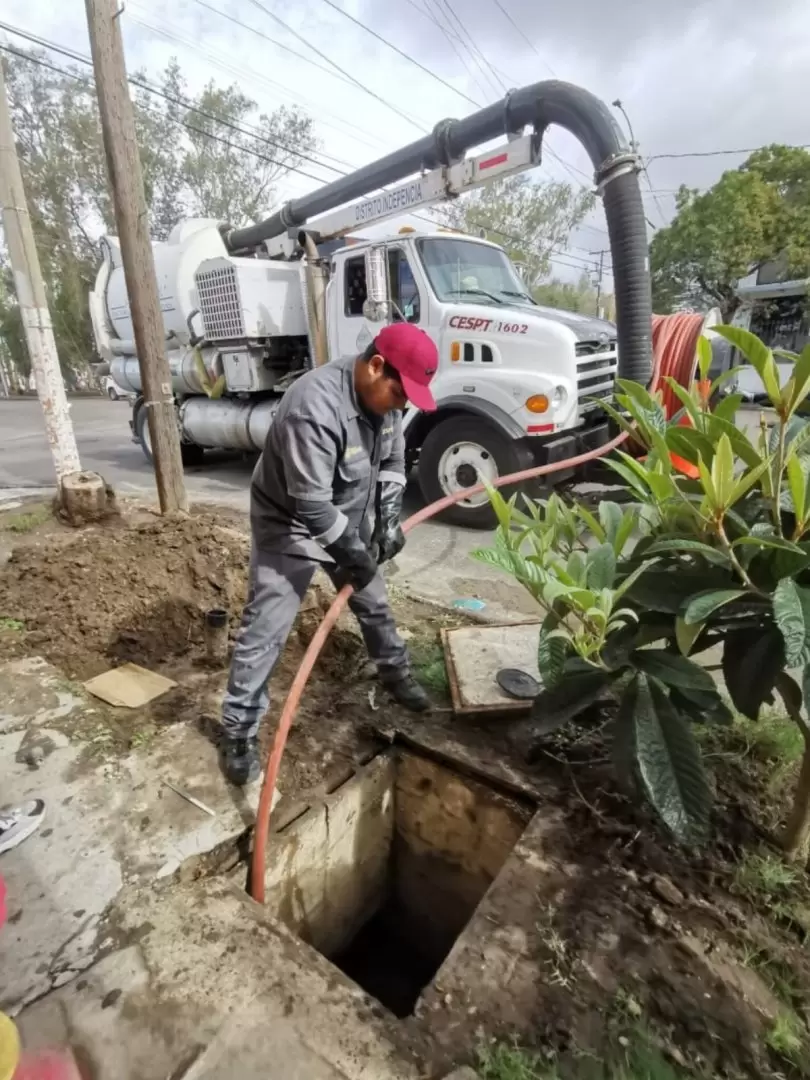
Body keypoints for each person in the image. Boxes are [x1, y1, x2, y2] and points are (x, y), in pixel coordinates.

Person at [220, 322, 439, 785]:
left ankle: (395, 674)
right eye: (401, 394)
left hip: (346, 517)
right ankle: (238, 731)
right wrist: (354, 554)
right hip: (291, 525)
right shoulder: (313, 408)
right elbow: (311, 505)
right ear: (376, 366)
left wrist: (386, 516)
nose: (403, 405)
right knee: (267, 628)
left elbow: (394, 461)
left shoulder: (390, 403)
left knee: (375, 603)